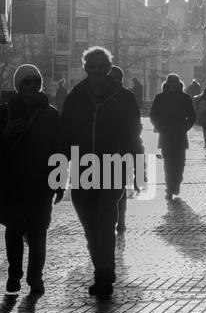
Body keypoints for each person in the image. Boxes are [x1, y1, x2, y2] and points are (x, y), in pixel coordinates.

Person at [61, 47, 144, 296]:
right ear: (86, 68)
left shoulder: (124, 98)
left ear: (108, 68)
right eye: (91, 66)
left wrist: (139, 171)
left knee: (106, 223)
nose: (96, 71)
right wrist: (58, 172)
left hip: (112, 168)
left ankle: (104, 275)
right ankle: (102, 268)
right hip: (83, 169)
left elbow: (134, 136)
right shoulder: (76, 96)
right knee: (90, 227)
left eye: (100, 66)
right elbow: (64, 135)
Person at [0, 64, 64, 296]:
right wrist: (5, 132)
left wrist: (59, 181)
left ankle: (35, 277)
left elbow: (60, 149)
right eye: (27, 82)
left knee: (38, 233)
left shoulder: (50, 114)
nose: (32, 86)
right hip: (12, 182)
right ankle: (14, 274)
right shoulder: (5, 112)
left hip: (41, 183)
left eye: (36, 81)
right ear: (18, 85)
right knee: (14, 231)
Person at [150, 73, 195, 201]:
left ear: (179, 84)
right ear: (167, 85)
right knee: (169, 163)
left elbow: (192, 116)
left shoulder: (185, 98)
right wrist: (159, 126)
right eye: (171, 83)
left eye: (175, 83)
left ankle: (176, 183)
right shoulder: (160, 98)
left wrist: (186, 127)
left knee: (180, 162)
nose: (173, 86)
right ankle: (170, 188)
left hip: (180, 134)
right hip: (166, 135)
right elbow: (153, 115)